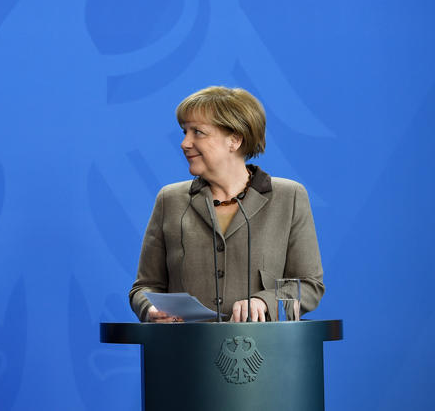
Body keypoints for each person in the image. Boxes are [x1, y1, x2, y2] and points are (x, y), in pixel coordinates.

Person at [129, 86, 324, 322]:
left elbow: (309, 286)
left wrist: (265, 301)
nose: (184, 143)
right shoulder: (169, 200)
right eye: (184, 132)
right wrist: (150, 309)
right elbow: (145, 287)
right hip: (183, 352)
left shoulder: (289, 197)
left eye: (198, 132)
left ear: (235, 139)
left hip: (262, 353)